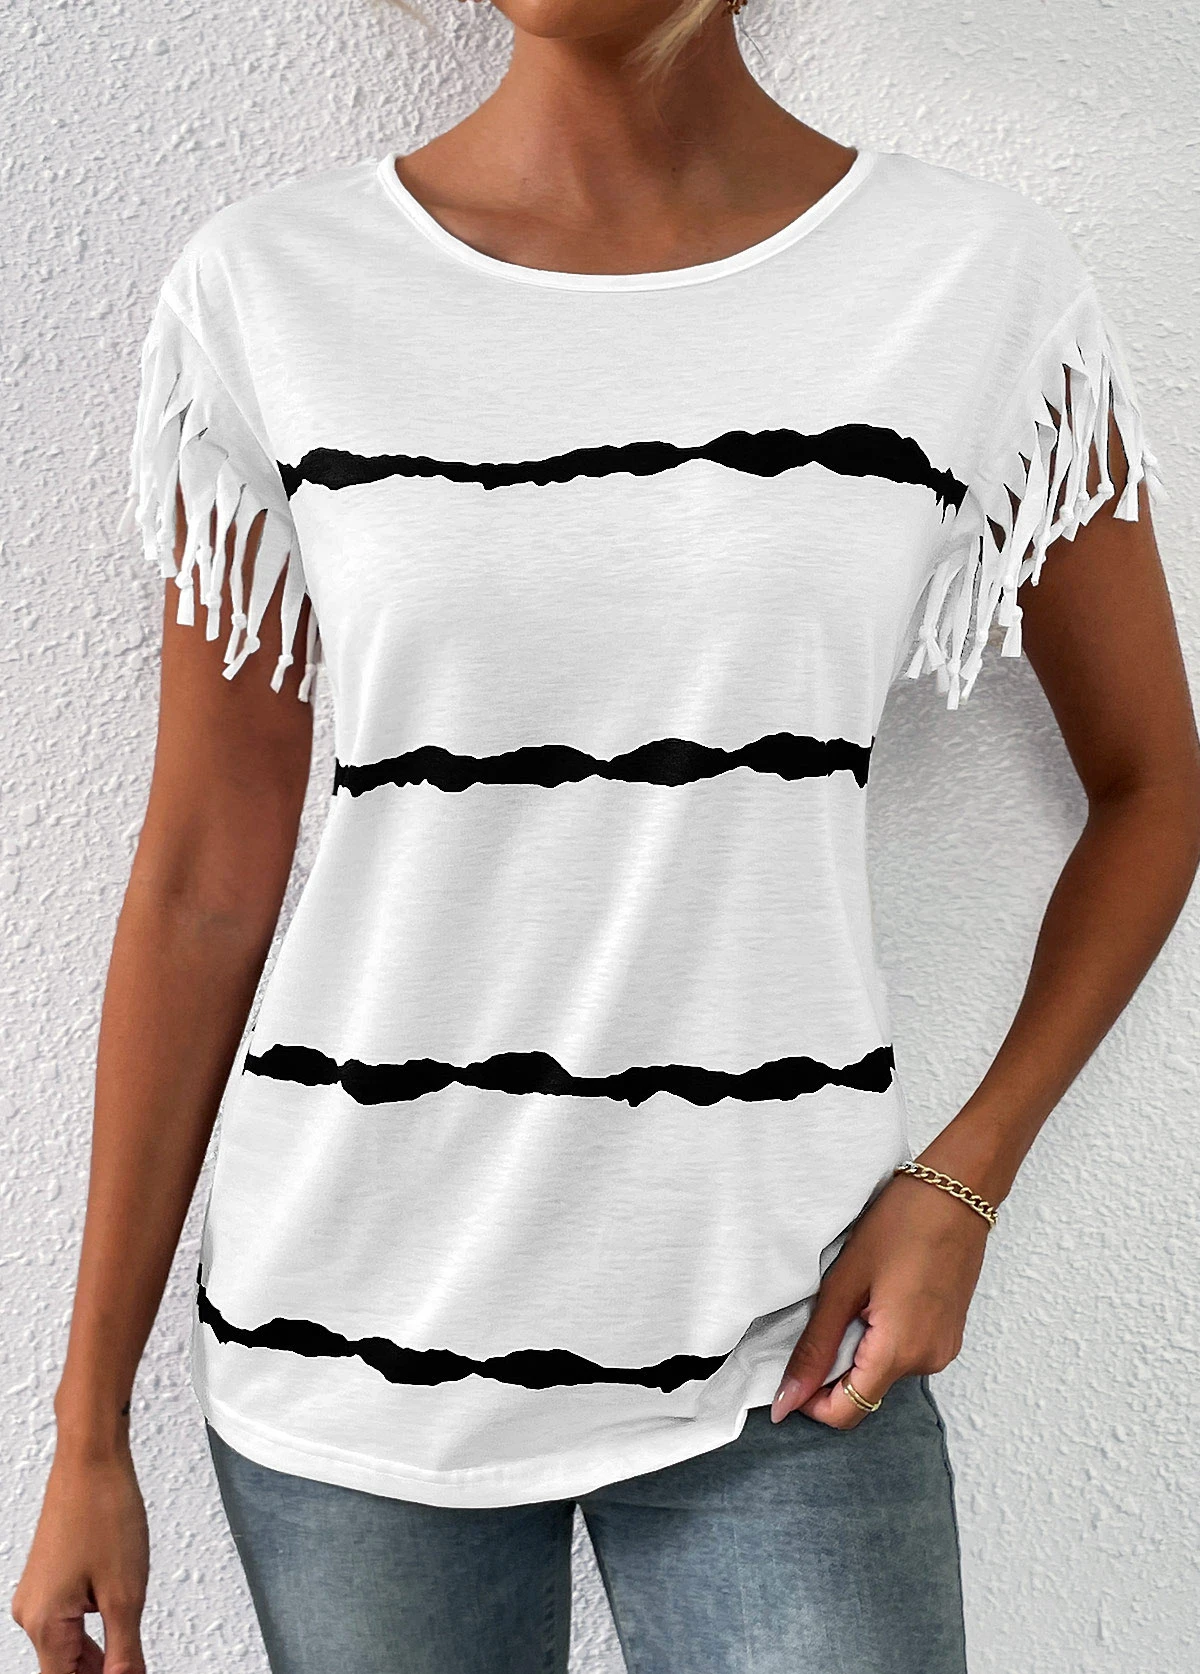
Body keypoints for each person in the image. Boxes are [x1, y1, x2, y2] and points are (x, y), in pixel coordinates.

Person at [12, 1, 1200, 1670]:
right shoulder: (271, 288)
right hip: (350, 1345)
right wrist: (87, 1425)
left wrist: (964, 1178)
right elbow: (205, 875)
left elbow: (1155, 785)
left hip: (786, 1335)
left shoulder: (972, 284)